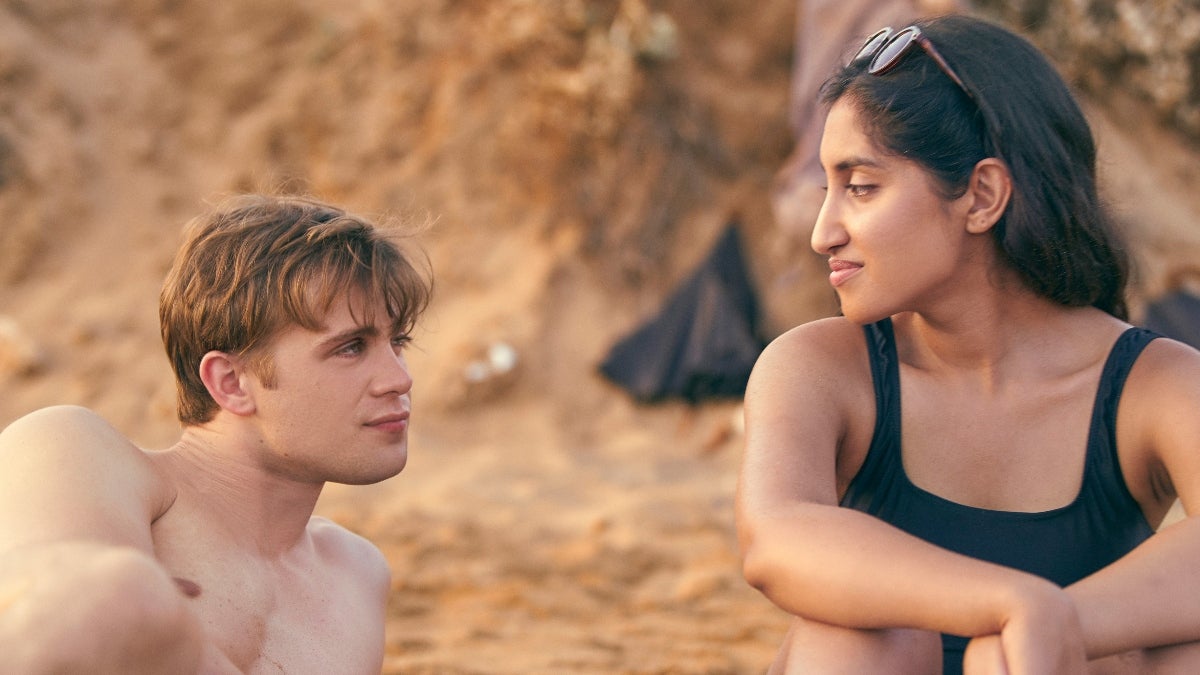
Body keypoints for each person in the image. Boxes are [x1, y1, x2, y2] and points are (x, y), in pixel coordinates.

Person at [736, 14, 1200, 675]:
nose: (823, 233)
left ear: (981, 196)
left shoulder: (1153, 385)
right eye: (828, 188)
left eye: (860, 188)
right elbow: (777, 539)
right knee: (859, 637)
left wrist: (1056, 627)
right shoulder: (820, 368)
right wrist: (1010, 604)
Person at [0, 194, 431, 673]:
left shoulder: (357, 575)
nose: (400, 378)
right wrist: (145, 608)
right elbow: (75, 616)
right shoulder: (76, 450)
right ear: (231, 383)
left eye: (398, 342)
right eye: (351, 347)